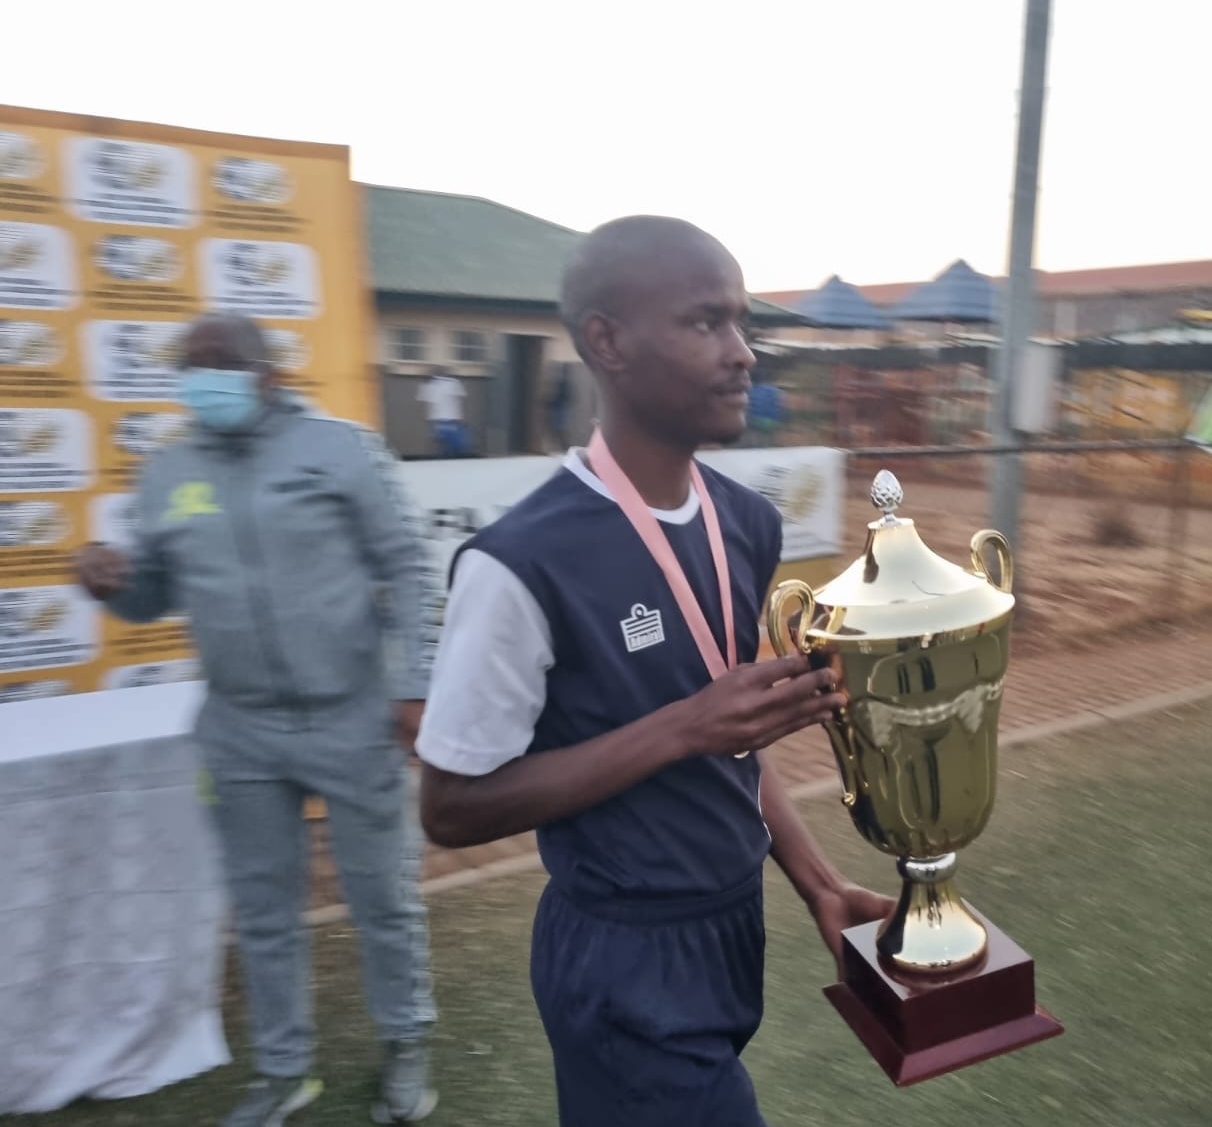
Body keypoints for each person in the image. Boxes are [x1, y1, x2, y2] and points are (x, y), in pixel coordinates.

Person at [416, 216, 892, 1127]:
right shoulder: (520, 562)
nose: (742, 353)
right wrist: (683, 727)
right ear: (608, 342)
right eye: (706, 323)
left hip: (730, 925)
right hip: (619, 955)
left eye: (742, 323)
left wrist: (821, 884)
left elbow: (731, 743)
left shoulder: (746, 522)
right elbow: (448, 808)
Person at [76, 313, 440, 1126]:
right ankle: (283, 1071)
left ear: (269, 373)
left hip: (352, 716)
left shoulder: (340, 450)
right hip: (238, 728)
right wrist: (110, 585)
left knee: (382, 897)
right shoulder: (167, 471)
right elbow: (151, 594)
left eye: (220, 363)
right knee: (265, 910)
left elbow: (409, 565)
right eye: (190, 365)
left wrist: (413, 683)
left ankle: (406, 1040)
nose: (203, 378)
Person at [417, 366, 469, 457]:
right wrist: (463, 417)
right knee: (458, 446)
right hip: (453, 420)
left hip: (437, 420)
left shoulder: (427, 384)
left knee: (442, 445)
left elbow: (422, 404)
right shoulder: (454, 382)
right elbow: (462, 400)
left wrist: (425, 418)